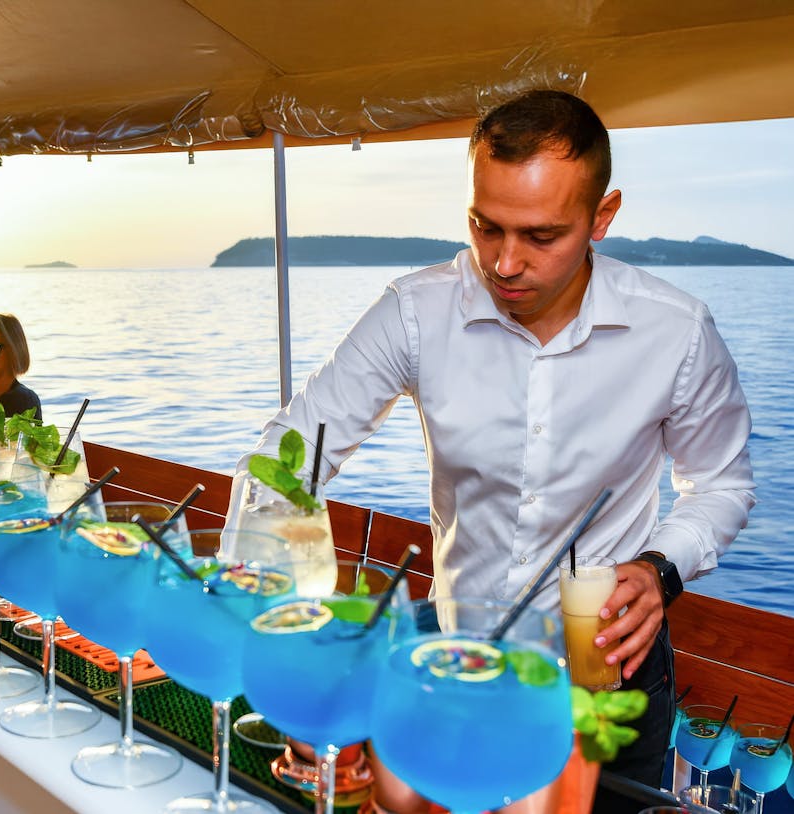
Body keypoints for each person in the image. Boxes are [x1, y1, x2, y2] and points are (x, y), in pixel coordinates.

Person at [231, 90, 755, 809]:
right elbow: (294, 448)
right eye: (486, 227)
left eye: (541, 236)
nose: (505, 263)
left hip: (601, 677)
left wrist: (658, 570)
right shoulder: (416, 312)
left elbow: (722, 485)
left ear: (603, 218)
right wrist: (265, 572)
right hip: (458, 662)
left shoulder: (677, 331)